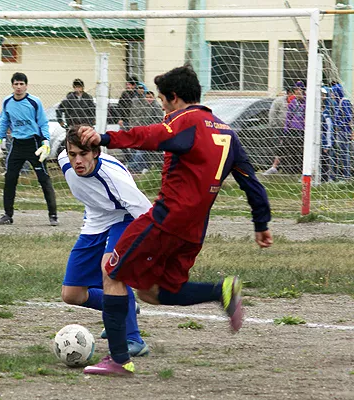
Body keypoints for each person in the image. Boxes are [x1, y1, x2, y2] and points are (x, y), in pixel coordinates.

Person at [77, 65, 273, 376]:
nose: (162, 108)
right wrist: (261, 224)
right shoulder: (226, 131)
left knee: (111, 271)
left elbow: (152, 136)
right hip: (194, 230)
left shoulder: (188, 120)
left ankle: (118, 359)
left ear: (175, 98)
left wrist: (104, 137)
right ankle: (220, 291)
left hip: (166, 220)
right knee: (152, 292)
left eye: (162, 101)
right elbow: (251, 182)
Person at [58, 127, 151, 358]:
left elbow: (147, 214)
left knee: (109, 269)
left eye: (84, 154)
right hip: (95, 221)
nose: (77, 160)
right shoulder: (63, 161)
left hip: (124, 218)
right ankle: (122, 305)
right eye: (73, 154)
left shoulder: (114, 178)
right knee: (72, 295)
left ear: (96, 153)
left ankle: (133, 339)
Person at [0, 72, 58, 226]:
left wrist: (46, 142)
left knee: (44, 179)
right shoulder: (7, 101)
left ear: (26, 86)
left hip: (34, 144)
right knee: (10, 179)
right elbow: (4, 121)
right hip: (17, 144)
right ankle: (7, 215)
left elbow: (43, 123)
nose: (19, 87)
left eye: (22, 84)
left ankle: (53, 215)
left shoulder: (34, 102)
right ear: (12, 85)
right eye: (16, 84)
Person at [126, 89, 165, 173]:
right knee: (138, 149)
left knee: (141, 149)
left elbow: (158, 120)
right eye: (147, 97)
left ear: (154, 98)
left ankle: (131, 166)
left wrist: (149, 127)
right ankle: (138, 167)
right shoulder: (145, 106)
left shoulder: (156, 106)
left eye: (150, 97)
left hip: (151, 132)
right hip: (143, 131)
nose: (148, 99)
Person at [280, 81, 306, 175]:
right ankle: (290, 169)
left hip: (302, 130)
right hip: (292, 130)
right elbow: (288, 117)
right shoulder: (293, 102)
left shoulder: (306, 102)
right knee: (291, 150)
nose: (297, 91)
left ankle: (300, 169)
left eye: (299, 89)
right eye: (295, 90)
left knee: (300, 150)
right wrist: (286, 130)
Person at [263, 89, 290, 175]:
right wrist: (274, 126)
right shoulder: (279, 101)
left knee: (286, 147)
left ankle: (283, 168)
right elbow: (272, 114)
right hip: (279, 128)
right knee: (279, 146)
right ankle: (275, 167)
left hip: (290, 129)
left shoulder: (296, 102)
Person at [330, 82, 353, 181]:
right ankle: (342, 175)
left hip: (344, 131)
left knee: (345, 153)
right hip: (340, 131)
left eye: (334, 93)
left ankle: (347, 175)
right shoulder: (339, 102)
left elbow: (348, 117)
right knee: (341, 153)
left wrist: (338, 124)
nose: (332, 95)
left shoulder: (344, 102)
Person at [321, 87, 336, 183]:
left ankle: (329, 177)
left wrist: (327, 144)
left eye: (323, 95)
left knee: (328, 159)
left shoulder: (327, 114)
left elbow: (329, 130)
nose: (322, 97)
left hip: (326, 142)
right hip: (319, 141)